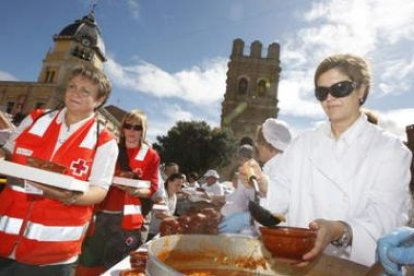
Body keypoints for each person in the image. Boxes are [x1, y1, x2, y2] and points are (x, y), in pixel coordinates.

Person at [256, 54, 412, 267]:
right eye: (321, 92)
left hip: (354, 268)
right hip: (296, 265)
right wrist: (265, 186)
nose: (329, 98)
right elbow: (281, 192)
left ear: (362, 90)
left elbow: (386, 215)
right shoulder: (303, 143)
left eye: (340, 88)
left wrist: (338, 230)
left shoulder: (390, 149)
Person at [0, 64, 118, 276]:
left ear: (99, 101)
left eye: (85, 91)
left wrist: (71, 197)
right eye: (72, 86)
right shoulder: (36, 118)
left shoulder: (104, 141)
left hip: (53, 253)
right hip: (3, 238)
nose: (75, 93)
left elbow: (100, 190)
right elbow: (7, 152)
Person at [77, 109, 160, 275]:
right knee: (89, 261)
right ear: (122, 128)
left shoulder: (151, 155)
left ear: (143, 131)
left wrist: (135, 190)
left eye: (137, 128)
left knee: (116, 265)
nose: (132, 131)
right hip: (99, 214)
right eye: (128, 126)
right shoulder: (108, 146)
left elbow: (152, 188)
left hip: (126, 221)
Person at [218, 120, 292, 233]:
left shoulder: (283, 167)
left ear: (267, 144)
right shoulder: (273, 166)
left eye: (258, 141)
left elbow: (280, 207)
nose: (256, 144)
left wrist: (249, 219)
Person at [146, 173, 185, 241]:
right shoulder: (161, 196)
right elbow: (159, 215)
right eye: (177, 185)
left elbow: (169, 214)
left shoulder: (174, 197)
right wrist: (179, 220)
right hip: (151, 231)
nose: (179, 188)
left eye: (181, 186)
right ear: (169, 182)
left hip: (161, 230)